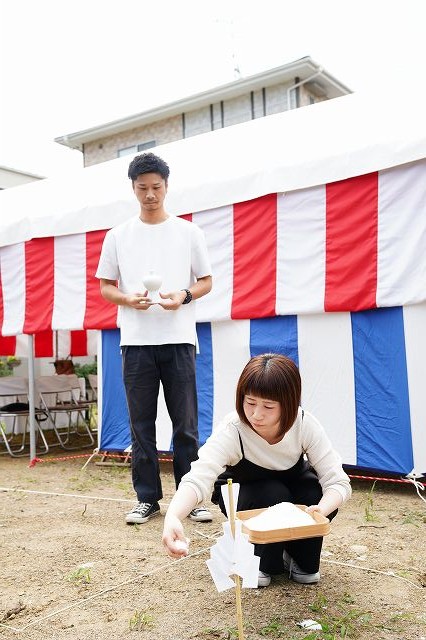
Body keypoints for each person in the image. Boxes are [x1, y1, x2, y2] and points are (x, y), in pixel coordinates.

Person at [162, 353, 351, 587]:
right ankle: (257, 560)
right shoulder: (234, 429)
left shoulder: (304, 424)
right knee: (272, 495)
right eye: (250, 402)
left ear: (289, 403)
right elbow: (198, 477)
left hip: (293, 490)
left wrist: (319, 511)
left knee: (312, 493)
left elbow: (338, 483)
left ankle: (298, 557)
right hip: (248, 492)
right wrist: (173, 516)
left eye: (268, 406)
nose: (256, 414)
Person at [96, 152, 213, 525]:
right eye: (143, 188)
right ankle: (147, 498)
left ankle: (191, 496)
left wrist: (184, 296)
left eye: (156, 187)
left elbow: (206, 280)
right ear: (133, 188)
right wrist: (128, 299)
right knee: (140, 425)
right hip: (135, 342)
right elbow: (105, 287)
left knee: (186, 425)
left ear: (167, 186)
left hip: (179, 340)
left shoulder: (189, 232)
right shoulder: (118, 236)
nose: (150, 194)